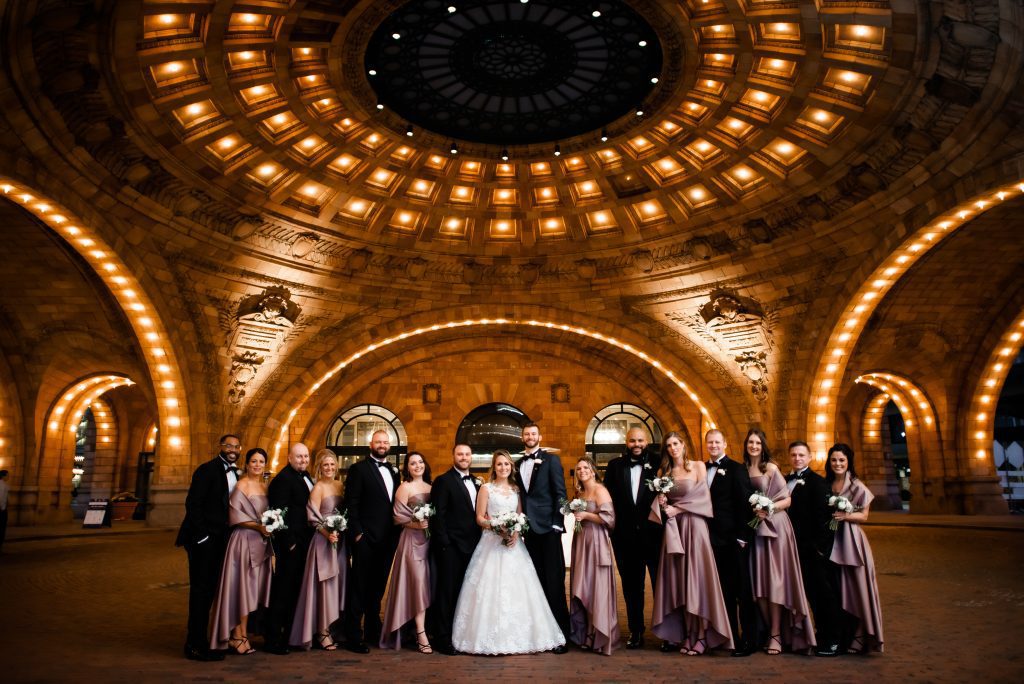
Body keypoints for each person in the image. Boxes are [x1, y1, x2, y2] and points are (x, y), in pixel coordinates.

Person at [451, 450, 566, 654]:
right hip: (491, 544)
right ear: (493, 467)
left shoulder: (516, 489)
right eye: (499, 464)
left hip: (514, 546)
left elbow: (520, 515)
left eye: (506, 464)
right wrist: (496, 528)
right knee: (488, 589)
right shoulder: (486, 489)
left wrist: (516, 531)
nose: (503, 467)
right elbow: (479, 517)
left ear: (511, 467)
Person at [649, 432, 732, 655]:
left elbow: (704, 498)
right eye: (669, 445)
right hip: (675, 530)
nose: (673, 448)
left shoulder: (697, 467)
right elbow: (661, 505)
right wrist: (662, 501)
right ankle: (687, 634)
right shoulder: (663, 472)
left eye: (676, 443)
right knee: (680, 581)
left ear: (683, 445)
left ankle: (703, 636)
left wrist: (679, 508)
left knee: (698, 580)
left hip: (695, 527)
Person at [742, 429, 815, 655]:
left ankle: (776, 634)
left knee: (774, 581)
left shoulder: (770, 468)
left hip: (776, 528)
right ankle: (768, 628)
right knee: (759, 583)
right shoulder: (743, 470)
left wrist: (768, 507)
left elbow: (787, 499)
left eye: (757, 442)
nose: (753, 446)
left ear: (763, 445)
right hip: (756, 530)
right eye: (750, 442)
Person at [175, 434, 242, 661]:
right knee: (201, 593)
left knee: (214, 592)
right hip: (204, 541)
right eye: (229, 445)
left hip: (223, 540)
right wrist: (203, 537)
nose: (233, 449)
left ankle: (212, 640)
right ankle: (194, 644)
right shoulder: (207, 470)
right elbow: (193, 504)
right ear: (220, 447)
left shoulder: (237, 473)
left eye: (236, 446)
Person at [209, 448, 273, 655]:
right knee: (240, 589)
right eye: (253, 461)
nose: (257, 465)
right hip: (243, 542)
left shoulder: (264, 486)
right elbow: (234, 515)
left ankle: (243, 634)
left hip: (260, 544)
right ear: (247, 464)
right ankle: (237, 636)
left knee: (251, 591)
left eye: (261, 461)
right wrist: (258, 527)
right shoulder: (242, 484)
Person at [344, 430, 402, 653]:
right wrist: (357, 533)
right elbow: (352, 502)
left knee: (377, 588)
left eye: (385, 442)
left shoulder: (394, 471)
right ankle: (353, 635)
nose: (382, 445)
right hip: (365, 539)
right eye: (378, 441)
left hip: (387, 540)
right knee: (359, 587)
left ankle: (371, 631)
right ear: (370, 444)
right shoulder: (359, 469)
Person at [603, 428, 661, 649]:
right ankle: (636, 631)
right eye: (632, 440)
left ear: (647, 441)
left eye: (640, 440)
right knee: (631, 587)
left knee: (660, 585)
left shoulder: (659, 463)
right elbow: (607, 498)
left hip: (654, 536)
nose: (636, 444)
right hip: (625, 538)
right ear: (626, 442)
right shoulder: (615, 466)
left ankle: (666, 632)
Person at [514, 422, 570, 652]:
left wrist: (558, 523)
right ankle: (543, 633)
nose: (530, 436)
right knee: (535, 583)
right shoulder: (518, 464)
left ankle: (563, 636)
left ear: (539, 436)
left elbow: (561, 492)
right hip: (528, 530)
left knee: (554, 582)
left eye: (533, 433)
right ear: (522, 437)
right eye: (526, 433)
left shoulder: (551, 460)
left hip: (548, 529)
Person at [826, 443, 884, 654]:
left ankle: (860, 636)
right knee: (840, 590)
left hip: (852, 541)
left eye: (841, 460)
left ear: (848, 461)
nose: (838, 463)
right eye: (834, 460)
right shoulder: (828, 483)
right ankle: (843, 633)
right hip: (833, 540)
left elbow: (865, 515)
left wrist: (846, 516)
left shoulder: (857, 485)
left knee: (858, 589)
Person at [705, 428, 757, 656]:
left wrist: (742, 536)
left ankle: (749, 640)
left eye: (717, 442)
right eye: (710, 442)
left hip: (733, 540)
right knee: (723, 591)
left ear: (724, 443)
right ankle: (730, 637)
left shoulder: (736, 469)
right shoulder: (702, 469)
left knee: (742, 592)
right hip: (710, 540)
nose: (714, 446)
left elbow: (745, 505)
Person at [787, 440, 842, 657]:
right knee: (808, 595)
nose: (797, 458)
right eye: (793, 455)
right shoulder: (785, 481)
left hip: (812, 551)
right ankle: (817, 634)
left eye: (801, 455)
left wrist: (820, 549)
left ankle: (833, 639)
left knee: (823, 595)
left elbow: (825, 519)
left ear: (809, 457)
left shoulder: (817, 483)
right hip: (793, 549)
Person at [289, 449, 346, 651]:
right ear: (319, 468)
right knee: (324, 585)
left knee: (337, 584)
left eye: (332, 464)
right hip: (323, 542)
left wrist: (338, 531)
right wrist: (327, 533)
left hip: (339, 543)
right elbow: (312, 517)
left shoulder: (340, 485)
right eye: (325, 465)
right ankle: (321, 632)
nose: (329, 468)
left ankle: (333, 628)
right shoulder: (318, 487)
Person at [428, 443, 482, 655]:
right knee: (447, 592)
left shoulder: (478, 482)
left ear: (471, 457)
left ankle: (460, 634)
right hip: (451, 548)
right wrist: (445, 544)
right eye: (460, 454)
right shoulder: (443, 481)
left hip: (474, 547)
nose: (464, 457)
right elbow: (438, 516)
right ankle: (441, 637)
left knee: (465, 592)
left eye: (467, 454)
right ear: (453, 456)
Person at [263, 443, 315, 655]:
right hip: (292, 545)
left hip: (305, 542)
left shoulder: (306, 476)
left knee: (295, 590)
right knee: (283, 591)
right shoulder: (283, 480)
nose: (303, 460)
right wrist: (289, 543)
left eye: (305, 456)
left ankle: (290, 635)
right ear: (289, 457)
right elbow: (277, 514)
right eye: (299, 456)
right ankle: (273, 639)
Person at [380, 451, 433, 652]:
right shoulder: (405, 487)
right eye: (413, 463)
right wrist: (416, 524)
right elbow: (397, 516)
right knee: (418, 584)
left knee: (426, 585)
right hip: (411, 541)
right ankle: (421, 634)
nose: (417, 465)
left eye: (420, 461)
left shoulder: (432, 487)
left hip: (429, 542)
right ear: (407, 467)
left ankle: (418, 629)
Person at [567, 456, 619, 655]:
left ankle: (597, 634)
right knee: (583, 586)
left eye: (585, 467)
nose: (581, 471)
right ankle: (586, 631)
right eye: (578, 468)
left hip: (596, 541)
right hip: (581, 541)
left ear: (592, 469)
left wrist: (587, 515)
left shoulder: (600, 490)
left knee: (595, 586)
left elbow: (610, 519)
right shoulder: (579, 492)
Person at [0, 469, 9, 554]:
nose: (8, 477)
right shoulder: (3, 485)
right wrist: (2, 509)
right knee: (1, 529)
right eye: (7, 475)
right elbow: (2, 498)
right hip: (2, 511)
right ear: (3, 476)